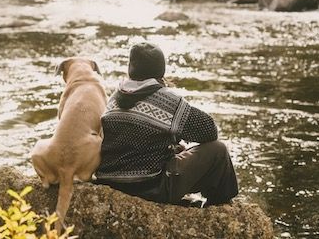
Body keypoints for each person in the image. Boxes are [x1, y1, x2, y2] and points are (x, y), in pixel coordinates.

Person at [94, 42, 238, 206]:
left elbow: (133, 142)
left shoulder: (115, 97)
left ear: (130, 68)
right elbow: (209, 130)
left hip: (110, 181)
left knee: (178, 150)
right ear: (161, 70)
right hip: (150, 188)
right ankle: (220, 206)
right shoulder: (166, 100)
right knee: (218, 150)